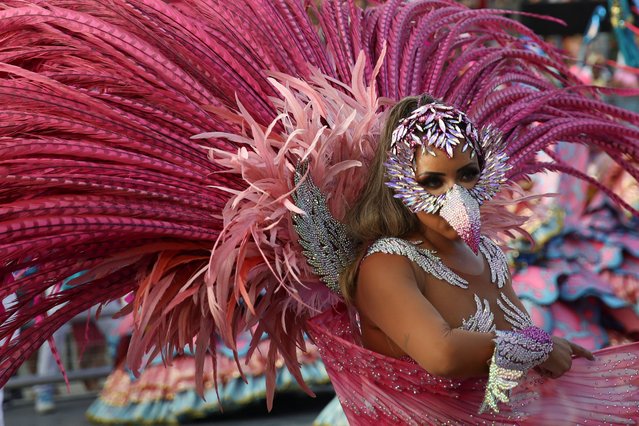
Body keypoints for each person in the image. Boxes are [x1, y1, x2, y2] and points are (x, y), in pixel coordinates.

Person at [0, 1, 638, 425]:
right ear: (396, 183)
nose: (456, 194)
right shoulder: (385, 264)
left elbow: (510, 367)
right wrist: (541, 344)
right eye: (434, 180)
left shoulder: (487, 252)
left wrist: (565, 362)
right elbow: (443, 355)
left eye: (468, 174)